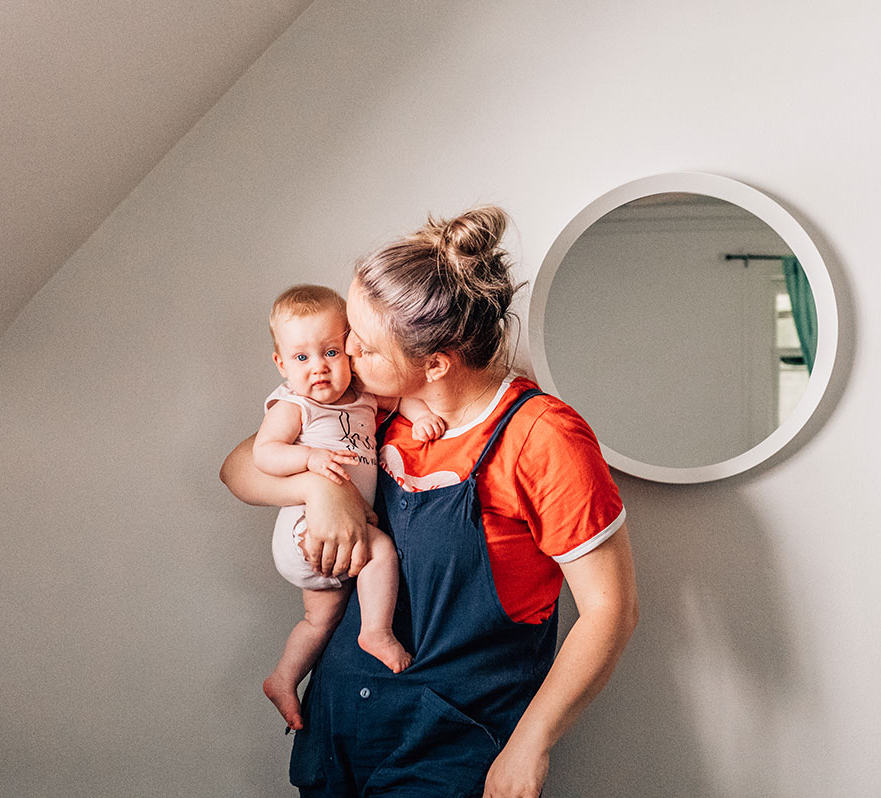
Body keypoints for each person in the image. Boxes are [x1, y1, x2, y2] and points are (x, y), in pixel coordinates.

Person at [221, 206, 638, 798]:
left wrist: (530, 744)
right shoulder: (376, 408)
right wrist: (319, 487)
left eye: (358, 348)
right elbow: (238, 468)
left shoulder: (542, 438)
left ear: (434, 363)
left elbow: (610, 611)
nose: (342, 361)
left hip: (448, 744)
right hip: (340, 719)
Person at [256, 284, 445, 732]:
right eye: (301, 358)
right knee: (381, 552)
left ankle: (283, 678)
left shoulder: (362, 395)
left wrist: (418, 417)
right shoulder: (292, 404)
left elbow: (402, 398)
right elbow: (265, 454)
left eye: (331, 352)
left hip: (336, 542)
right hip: (306, 526)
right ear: (282, 364)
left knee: (318, 620)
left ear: (351, 351)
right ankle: (375, 632)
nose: (318, 367)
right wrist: (309, 459)